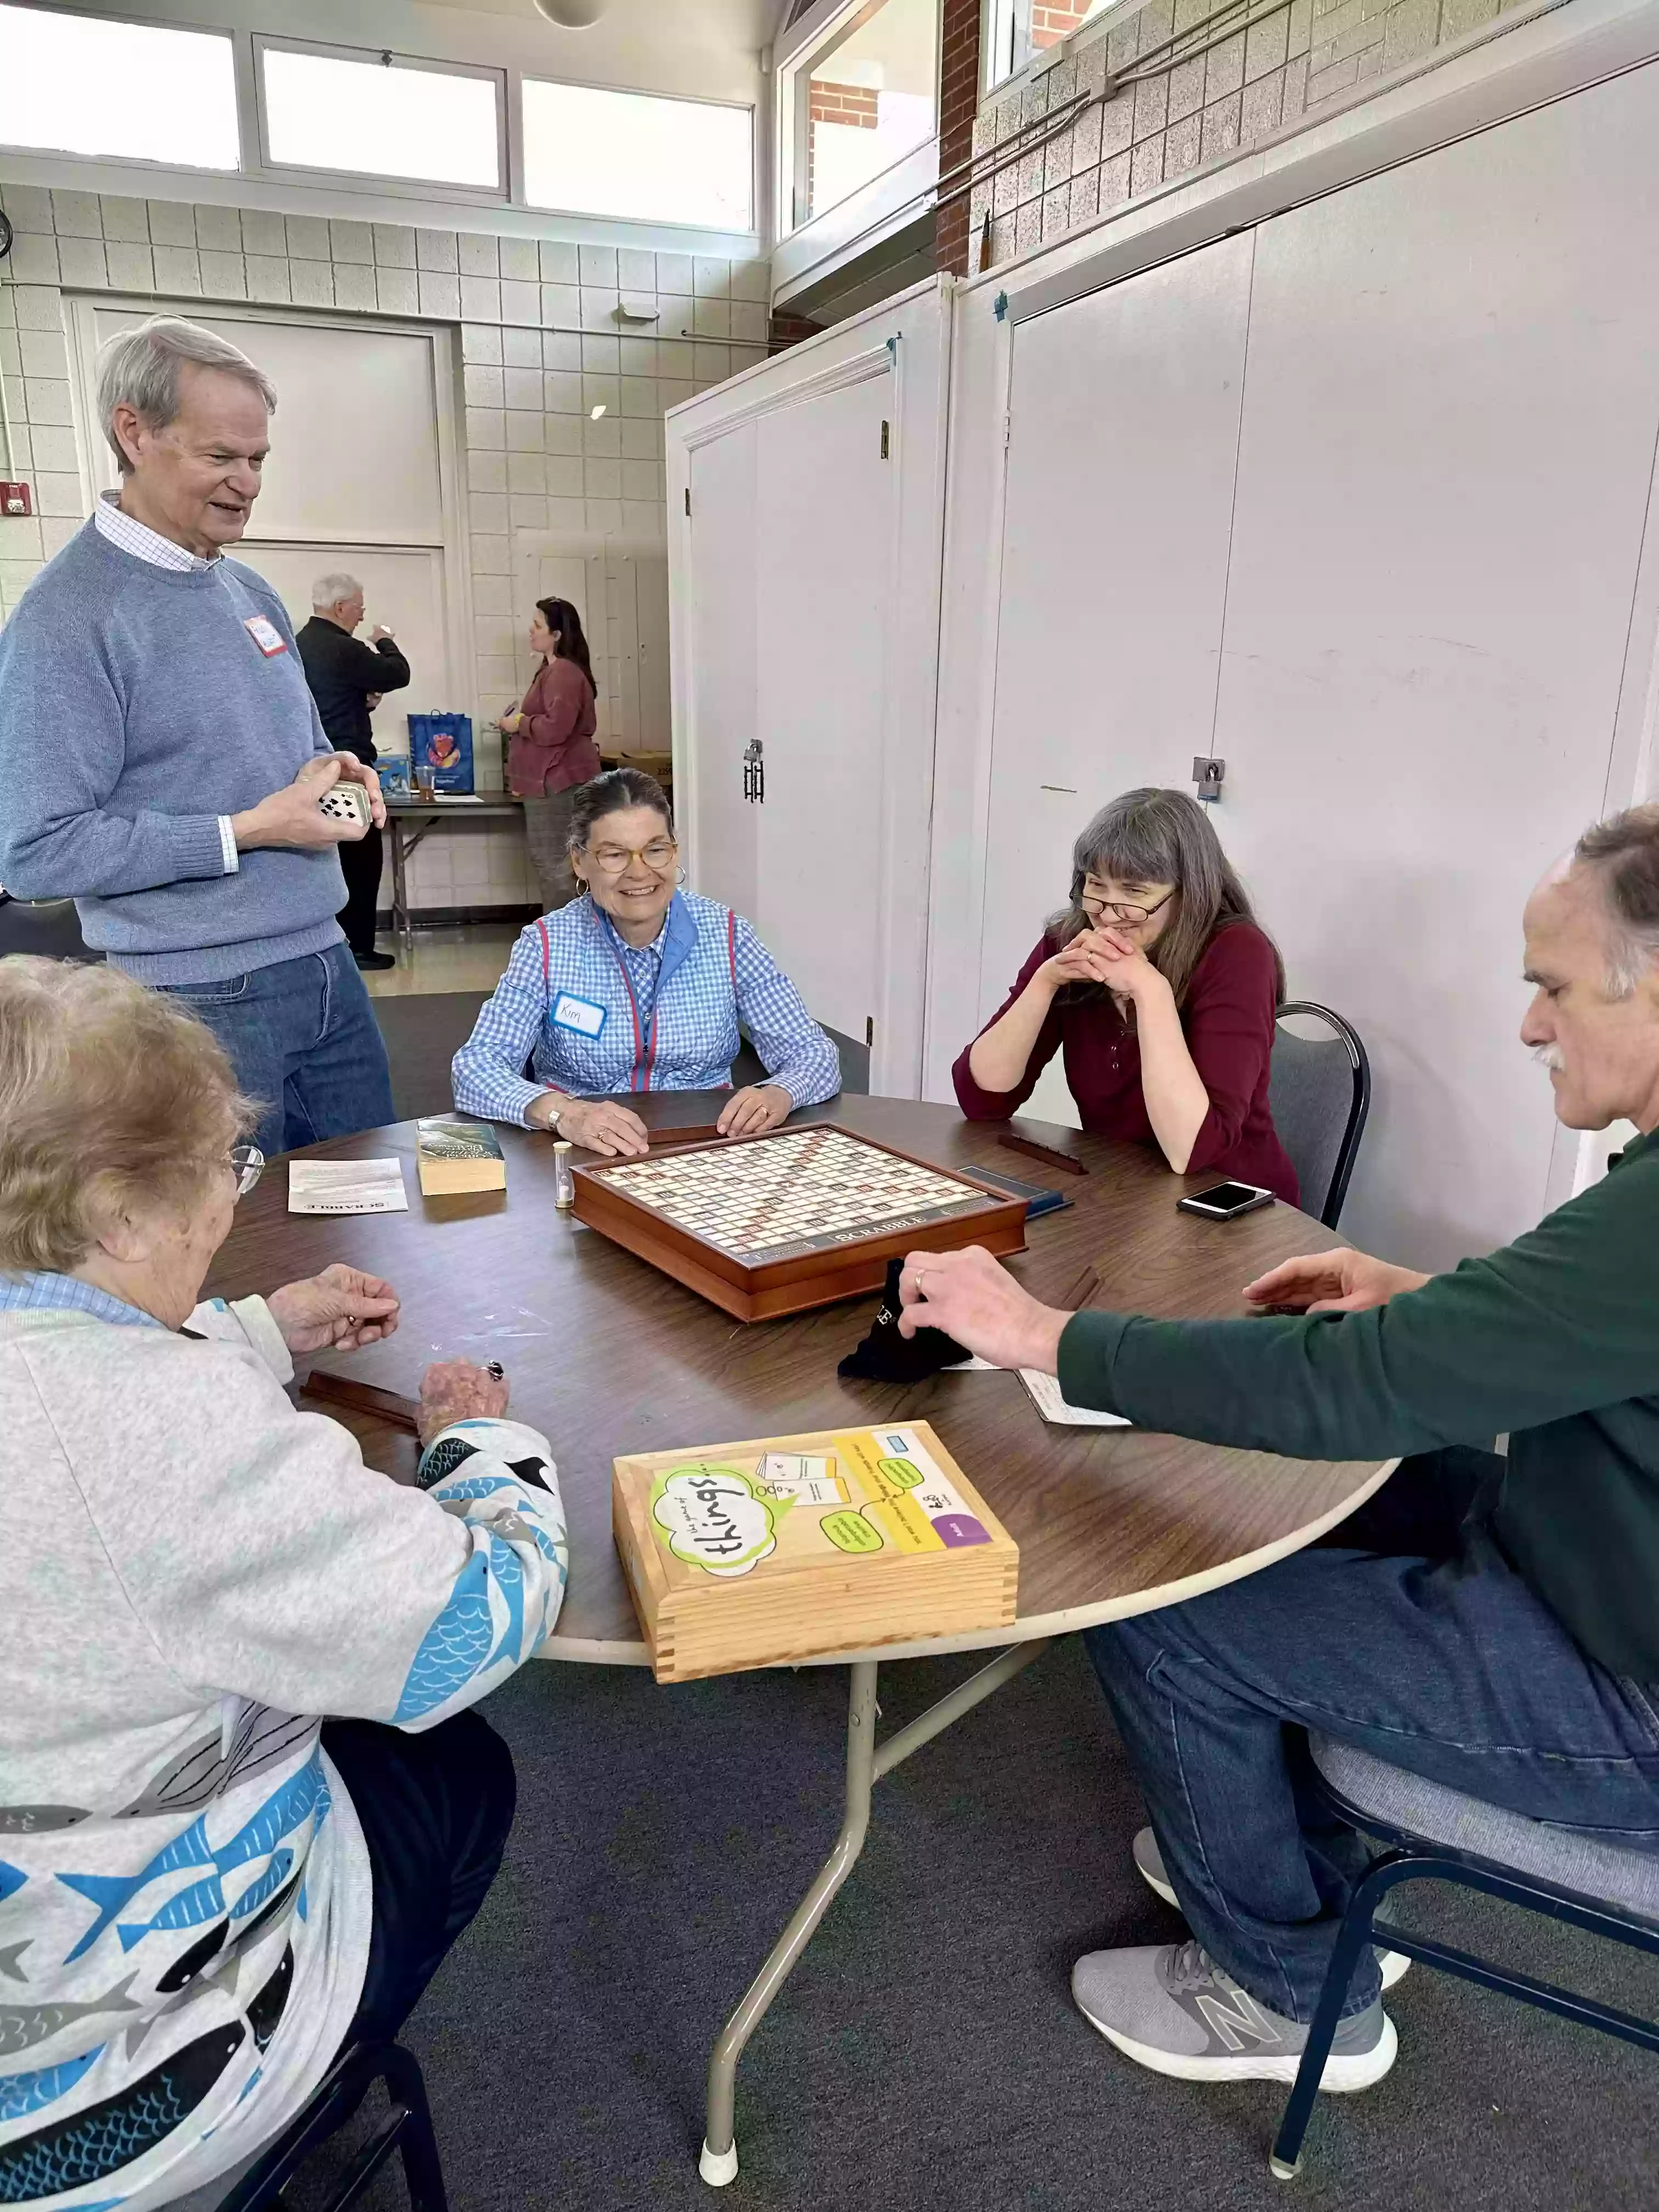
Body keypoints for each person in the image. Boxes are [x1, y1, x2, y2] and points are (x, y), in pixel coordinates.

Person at [898, 803, 1659, 2098]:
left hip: (1626, 1695)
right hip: (1585, 1557)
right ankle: (1304, 1873)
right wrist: (1421, 1292)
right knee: (1325, 1496)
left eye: (1553, 988)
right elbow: (1592, 1333)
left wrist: (1048, 1337)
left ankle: (1294, 1991)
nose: (1531, 1025)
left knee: (1162, 1608)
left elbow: (1358, 1387)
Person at [0, 956, 566, 2210]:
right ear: (118, 1208)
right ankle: (286, 2096)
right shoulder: (163, 1429)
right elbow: (481, 1615)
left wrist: (252, 1332)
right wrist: (485, 1453)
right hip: (86, 2088)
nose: (225, 1206)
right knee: (459, 1766)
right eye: (221, 1169)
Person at [0, 315, 394, 1159]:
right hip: (194, 998)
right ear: (133, 433)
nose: (246, 483)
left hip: (327, 966)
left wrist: (340, 777)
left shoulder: (247, 589)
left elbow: (288, 764)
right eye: (221, 458)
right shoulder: (66, 620)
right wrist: (250, 831)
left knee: (371, 1221)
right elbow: (36, 852)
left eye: (257, 459)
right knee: (230, 1252)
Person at [452, 767, 840, 1153]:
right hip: (585, 1150)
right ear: (580, 862)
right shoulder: (547, 945)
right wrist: (562, 1113)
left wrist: (779, 1093)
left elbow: (814, 1053)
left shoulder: (727, 934)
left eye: (655, 850)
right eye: (614, 855)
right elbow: (475, 1068)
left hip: (706, 1147)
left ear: (675, 852)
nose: (639, 873)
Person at [954, 788, 1298, 1203]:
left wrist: (1151, 992)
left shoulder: (1237, 953)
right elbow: (982, 1100)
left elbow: (1194, 1151)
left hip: (1229, 1205)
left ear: (1189, 893)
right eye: (1096, 885)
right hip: (1123, 1193)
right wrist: (1044, 984)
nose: (1110, 913)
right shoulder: (1070, 938)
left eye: (1134, 894)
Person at [296, 573, 411, 973]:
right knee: (362, 862)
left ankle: (326, 945)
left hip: (309, 768)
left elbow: (326, 702)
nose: (362, 616)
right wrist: (385, 639)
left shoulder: (300, 646)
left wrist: (361, 704)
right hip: (348, 769)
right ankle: (359, 946)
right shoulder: (344, 647)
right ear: (342, 608)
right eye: (360, 608)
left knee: (325, 861)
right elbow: (397, 673)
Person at [498, 596, 602, 913]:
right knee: (555, 863)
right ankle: (562, 941)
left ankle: (561, 946)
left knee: (557, 866)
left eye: (538, 624)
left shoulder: (564, 673)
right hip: (551, 782)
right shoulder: (552, 671)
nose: (531, 630)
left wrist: (518, 723)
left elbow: (557, 728)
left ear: (557, 635)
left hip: (559, 782)